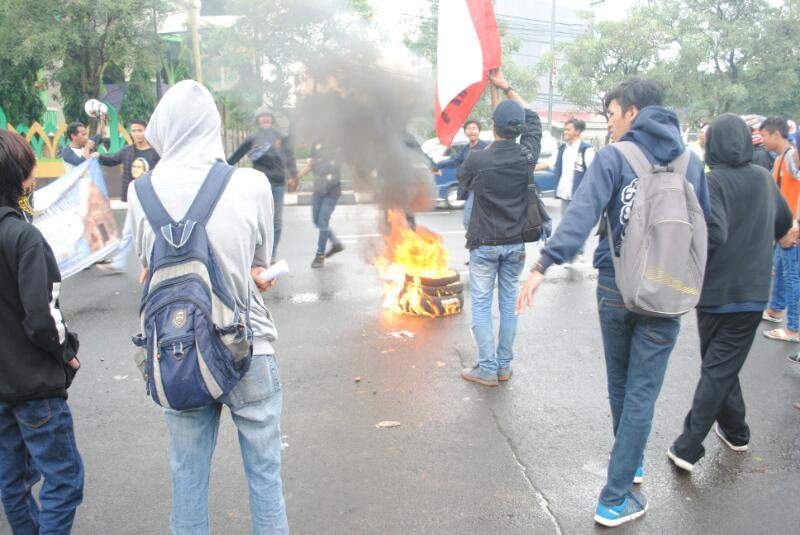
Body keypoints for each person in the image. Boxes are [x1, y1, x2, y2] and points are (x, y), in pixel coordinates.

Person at [516, 77, 709, 527]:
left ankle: (615, 495)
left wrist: (543, 264)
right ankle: (629, 467)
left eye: (613, 113)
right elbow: (708, 229)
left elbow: (582, 214)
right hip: (667, 291)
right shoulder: (691, 161)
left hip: (616, 288)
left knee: (622, 384)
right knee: (641, 391)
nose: (611, 122)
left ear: (633, 112)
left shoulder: (614, 157)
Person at [128, 81, 288, 534]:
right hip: (247, 346)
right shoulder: (252, 183)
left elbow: (149, 272)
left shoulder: (141, 193)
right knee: (265, 477)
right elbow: (260, 263)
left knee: (187, 478)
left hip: (176, 352)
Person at [668, 114, 794, 473]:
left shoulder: (712, 183)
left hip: (715, 293)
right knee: (721, 367)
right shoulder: (762, 178)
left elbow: (714, 233)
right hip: (752, 293)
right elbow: (784, 224)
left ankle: (688, 446)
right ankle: (737, 432)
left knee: (717, 368)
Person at [0, 129, 83, 533]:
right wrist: (67, 350)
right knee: (63, 480)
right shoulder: (24, 237)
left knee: (12, 483)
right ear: (18, 178)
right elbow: (43, 318)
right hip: (35, 386)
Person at [457, 68, 542, 387]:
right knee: (508, 304)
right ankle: (504, 366)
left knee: (480, 304)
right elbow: (533, 116)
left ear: (493, 126)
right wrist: (506, 87)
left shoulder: (478, 158)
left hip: (484, 243)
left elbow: (463, 186)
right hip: (515, 243)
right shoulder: (528, 154)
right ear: (518, 129)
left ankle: (488, 368)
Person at [228, 106, 297, 262]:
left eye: (268, 116)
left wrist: (294, 176)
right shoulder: (252, 139)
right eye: (262, 116)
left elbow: (290, 158)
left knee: (276, 221)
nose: (265, 118)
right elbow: (235, 157)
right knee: (257, 220)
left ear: (272, 119)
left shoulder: (281, 137)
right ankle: (257, 255)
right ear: (257, 120)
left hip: (278, 183)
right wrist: (221, 170)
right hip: (259, 184)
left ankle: (271, 255)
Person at [92, 118, 160, 274]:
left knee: (151, 231)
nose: (136, 134)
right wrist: (99, 157)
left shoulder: (156, 152)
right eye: (134, 131)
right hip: (135, 197)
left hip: (152, 197)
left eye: (140, 130)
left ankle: (153, 262)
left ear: (146, 131)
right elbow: (112, 159)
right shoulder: (128, 151)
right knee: (130, 231)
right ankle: (120, 263)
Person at [761, 117, 800, 342]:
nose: (762, 140)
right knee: (782, 271)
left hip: (792, 230)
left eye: (765, 135)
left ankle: (794, 328)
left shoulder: (790, 159)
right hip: (784, 227)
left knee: (792, 276)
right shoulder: (780, 159)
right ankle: (775, 310)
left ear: (777, 134)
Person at [296, 141, 345, 268]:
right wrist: (296, 178)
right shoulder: (317, 144)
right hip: (318, 191)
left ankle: (320, 255)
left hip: (332, 191)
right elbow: (311, 164)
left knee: (322, 221)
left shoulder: (337, 144)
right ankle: (335, 244)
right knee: (316, 221)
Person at [433, 119, 489, 230]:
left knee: (468, 220)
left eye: (474, 128)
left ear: (479, 131)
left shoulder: (486, 147)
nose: (471, 131)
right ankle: (479, 242)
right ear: (465, 132)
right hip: (470, 187)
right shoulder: (466, 148)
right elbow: (455, 161)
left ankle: (478, 242)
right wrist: (436, 166)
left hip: (482, 189)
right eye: (469, 129)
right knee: (475, 220)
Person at [553, 118, 595, 262]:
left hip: (580, 195)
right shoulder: (563, 149)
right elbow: (554, 166)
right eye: (564, 129)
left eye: (568, 129)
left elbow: (593, 173)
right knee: (566, 224)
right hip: (565, 193)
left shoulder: (586, 150)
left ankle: (579, 252)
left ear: (577, 131)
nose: (565, 132)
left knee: (579, 224)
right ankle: (569, 253)